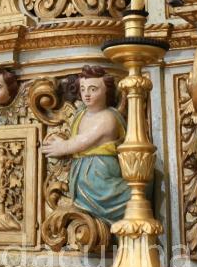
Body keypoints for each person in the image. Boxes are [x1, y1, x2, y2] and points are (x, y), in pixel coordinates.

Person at [41, 65, 130, 223]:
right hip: (83, 174)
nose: (86, 94)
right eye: (83, 89)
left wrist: (63, 147)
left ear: (106, 91)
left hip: (99, 174)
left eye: (93, 89)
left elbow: (83, 141)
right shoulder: (81, 114)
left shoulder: (107, 117)